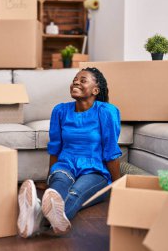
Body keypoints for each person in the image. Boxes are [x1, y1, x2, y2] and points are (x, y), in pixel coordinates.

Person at [17, 67, 122, 238]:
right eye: (75, 79)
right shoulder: (60, 111)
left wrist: (118, 186)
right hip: (66, 164)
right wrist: (49, 178)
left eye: (83, 80)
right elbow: (55, 148)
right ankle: (42, 217)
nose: (76, 82)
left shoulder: (106, 111)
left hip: (95, 170)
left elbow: (111, 151)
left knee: (76, 194)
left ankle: (37, 216)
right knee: (57, 190)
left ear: (96, 90)